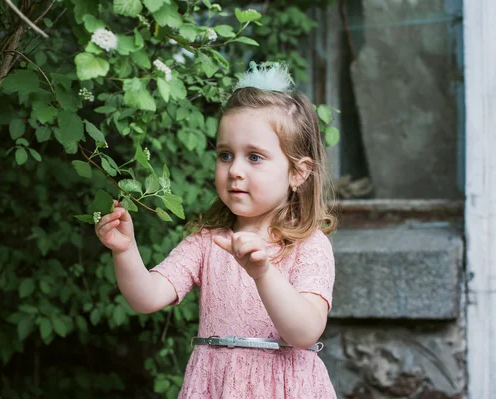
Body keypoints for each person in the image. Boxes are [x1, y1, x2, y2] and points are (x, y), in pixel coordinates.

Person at [95, 62, 338, 398]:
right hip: (215, 386)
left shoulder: (309, 246)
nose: (235, 169)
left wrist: (263, 272)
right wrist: (125, 250)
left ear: (298, 172)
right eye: (225, 155)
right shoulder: (209, 241)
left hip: (286, 388)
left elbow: (305, 331)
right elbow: (147, 296)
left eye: (254, 157)